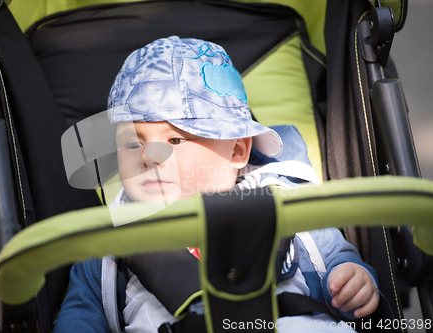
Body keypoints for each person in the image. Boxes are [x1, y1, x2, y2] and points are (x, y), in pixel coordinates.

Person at [54, 36, 379, 332]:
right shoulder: (109, 238)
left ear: (237, 150)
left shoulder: (285, 200)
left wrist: (352, 280)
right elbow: (82, 310)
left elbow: (336, 256)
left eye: (176, 139)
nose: (148, 157)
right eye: (131, 143)